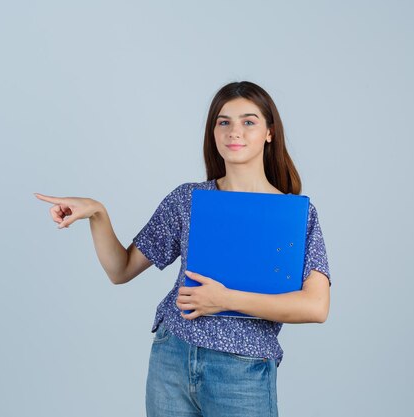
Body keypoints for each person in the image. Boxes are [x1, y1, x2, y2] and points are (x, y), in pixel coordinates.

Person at [34, 81, 331, 417]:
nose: (235, 131)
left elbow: (315, 306)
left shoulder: (295, 214)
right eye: (224, 122)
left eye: (249, 121)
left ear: (269, 133)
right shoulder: (187, 199)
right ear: (213, 131)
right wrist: (97, 213)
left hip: (242, 372)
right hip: (172, 358)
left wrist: (226, 300)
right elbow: (121, 269)